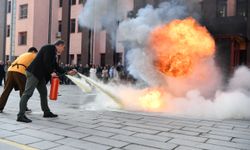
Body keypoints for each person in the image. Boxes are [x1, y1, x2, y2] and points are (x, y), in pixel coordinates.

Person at [17, 40, 77, 123]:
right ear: (59, 45)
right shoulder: (49, 48)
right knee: (27, 93)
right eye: (63, 47)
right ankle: (20, 115)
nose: (63, 50)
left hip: (39, 75)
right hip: (34, 73)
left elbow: (56, 66)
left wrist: (67, 72)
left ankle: (46, 112)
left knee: (43, 92)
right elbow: (46, 62)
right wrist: (51, 72)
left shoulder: (53, 53)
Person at [0, 47, 38, 113]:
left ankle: (0, 107)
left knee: (6, 90)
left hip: (10, 70)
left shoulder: (22, 55)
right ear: (34, 51)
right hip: (20, 71)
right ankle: (24, 108)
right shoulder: (33, 55)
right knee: (23, 90)